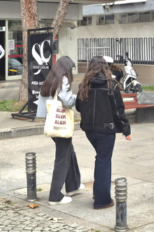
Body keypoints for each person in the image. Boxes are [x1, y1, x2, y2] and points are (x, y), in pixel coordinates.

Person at [76, 56, 131, 210]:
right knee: (103, 161)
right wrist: (126, 130)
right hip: (106, 130)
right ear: (105, 67)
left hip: (89, 130)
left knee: (101, 159)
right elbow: (118, 110)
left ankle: (97, 192)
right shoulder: (111, 85)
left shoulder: (84, 85)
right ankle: (102, 200)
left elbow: (79, 107)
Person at [36, 56, 82, 205]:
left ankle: (73, 185)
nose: (71, 72)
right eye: (70, 69)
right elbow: (67, 100)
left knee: (70, 151)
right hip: (61, 124)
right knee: (62, 158)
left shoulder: (51, 78)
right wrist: (77, 98)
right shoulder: (63, 79)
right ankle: (55, 195)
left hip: (52, 122)